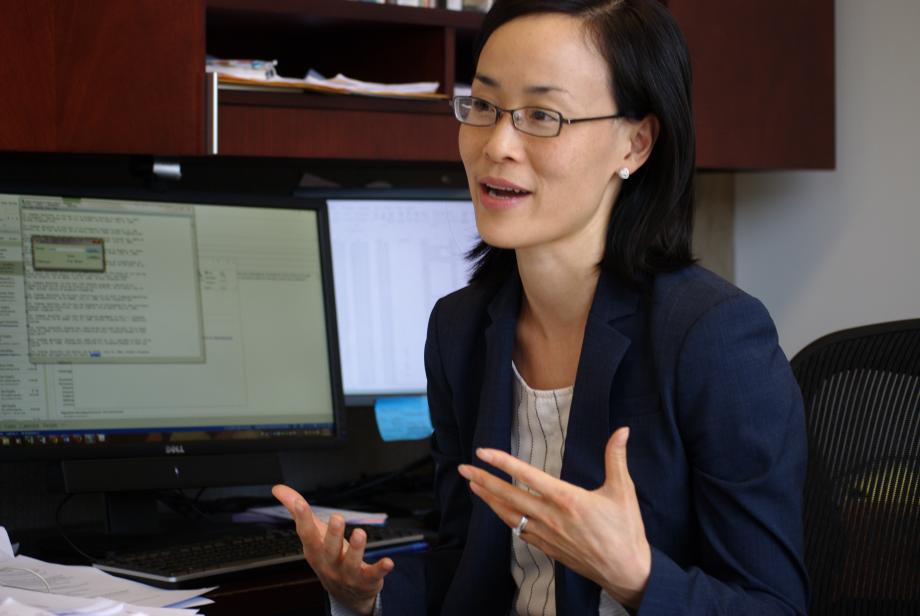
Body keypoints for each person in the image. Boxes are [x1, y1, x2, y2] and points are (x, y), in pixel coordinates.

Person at [272, 0, 809, 614]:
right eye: (483, 105)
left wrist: (635, 576)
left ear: (635, 144)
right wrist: (366, 596)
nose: (497, 144)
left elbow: (775, 605)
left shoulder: (714, 337)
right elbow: (464, 566)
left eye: (542, 115)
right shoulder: (461, 328)